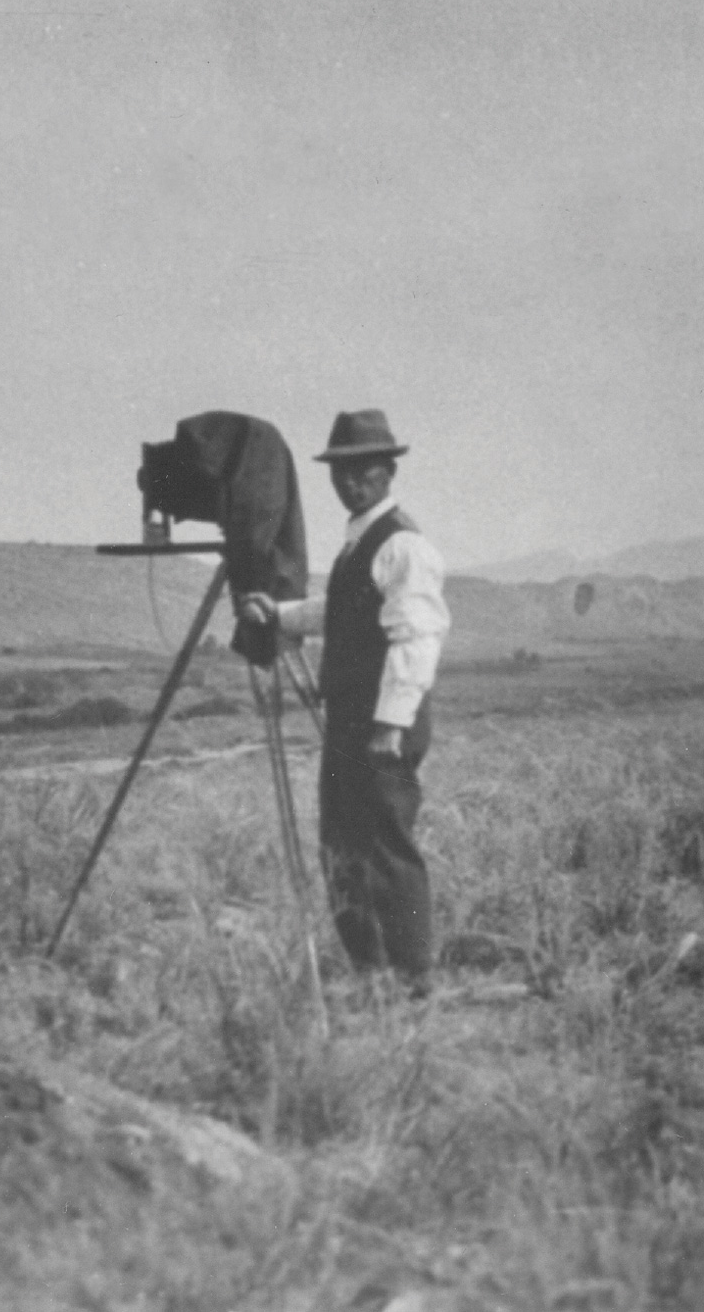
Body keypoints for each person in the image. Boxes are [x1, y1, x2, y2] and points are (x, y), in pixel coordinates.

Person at [241, 409, 450, 1000]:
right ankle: (371, 971)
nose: (349, 483)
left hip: (383, 723)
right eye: (341, 473)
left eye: (363, 472)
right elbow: (341, 611)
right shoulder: (360, 542)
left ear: (387, 473)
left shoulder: (403, 546)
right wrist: (280, 614)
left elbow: (416, 640)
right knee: (343, 843)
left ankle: (411, 976)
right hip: (352, 718)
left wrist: (389, 725)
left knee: (386, 846)